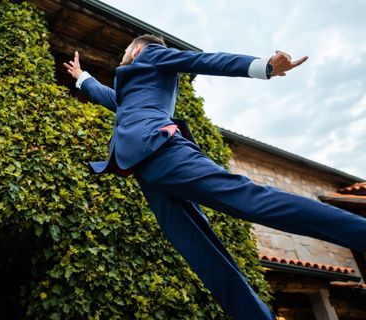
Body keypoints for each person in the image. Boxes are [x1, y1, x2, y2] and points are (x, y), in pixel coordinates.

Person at [64, 34, 366, 320]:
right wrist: (83, 78)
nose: (124, 54)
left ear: (139, 48)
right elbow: (112, 99)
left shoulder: (153, 54)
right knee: (202, 255)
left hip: (164, 152)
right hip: (145, 171)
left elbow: (203, 60)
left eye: (128, 49)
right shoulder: (134, 88)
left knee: (250, 200)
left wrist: (265, 66)